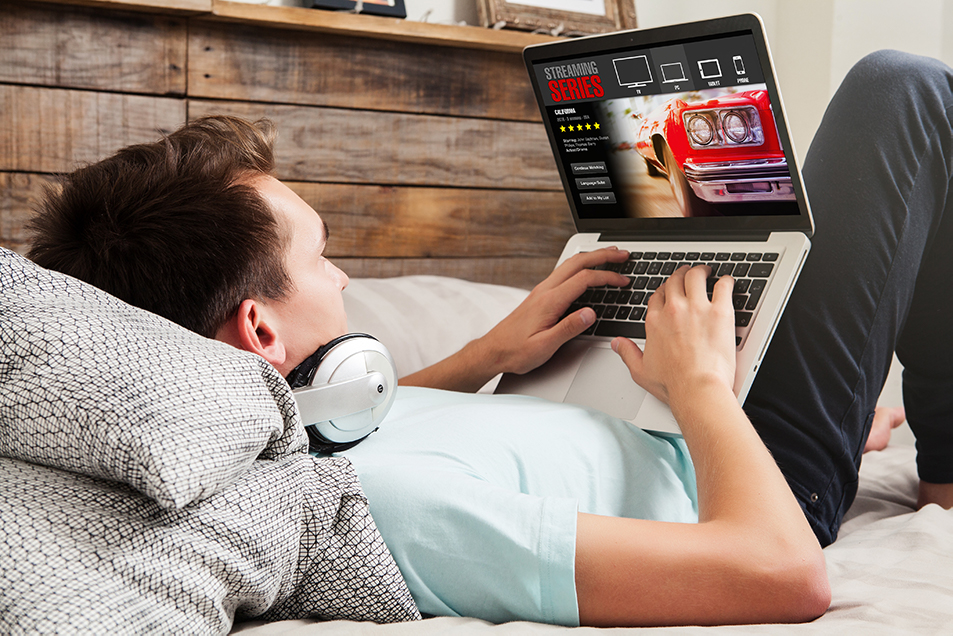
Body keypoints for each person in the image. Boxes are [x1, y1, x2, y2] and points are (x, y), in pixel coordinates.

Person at [24, 49, 953, 627]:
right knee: (901, 94)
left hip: (668, 403)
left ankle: (881, 413)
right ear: (260, 327)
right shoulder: (391, 510)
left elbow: (364, 428)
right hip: (748, 473)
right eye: (324, 258)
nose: (345, 279)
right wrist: (706, 390)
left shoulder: (283, 438)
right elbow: (781, 574)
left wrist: (491, 354)